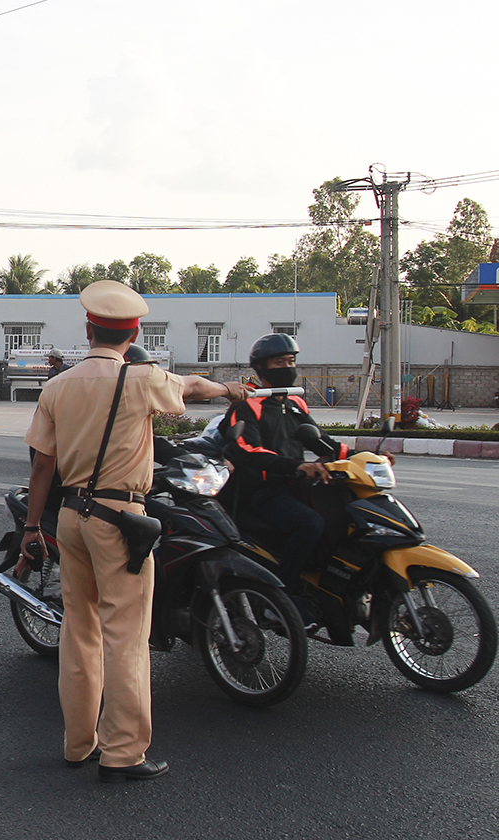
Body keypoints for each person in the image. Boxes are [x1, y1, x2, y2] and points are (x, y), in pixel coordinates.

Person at [18, 281, 249, 783]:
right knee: (125, 635)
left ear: (88, 329)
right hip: (119, 519)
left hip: (71, 517)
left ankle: (78, 744)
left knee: (80, 632)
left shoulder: (57, 386)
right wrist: (231, 390)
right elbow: (191, 387)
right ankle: (123, 752)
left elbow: (41, 468)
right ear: (136, 332)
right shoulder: (142, 379)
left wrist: (32, 528)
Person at [221, 334, 359, 611]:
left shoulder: (295, 403)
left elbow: (321, 441)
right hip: (262, 491)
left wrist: (367, 458)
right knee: (310, 524)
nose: (288, 366)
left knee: (344, 515)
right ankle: (281, 593)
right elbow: (248, 449)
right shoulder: (247, 405)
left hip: (296, 485)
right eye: (280, 361)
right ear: (261, 368)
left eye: (291, 360)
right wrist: (295, 466)